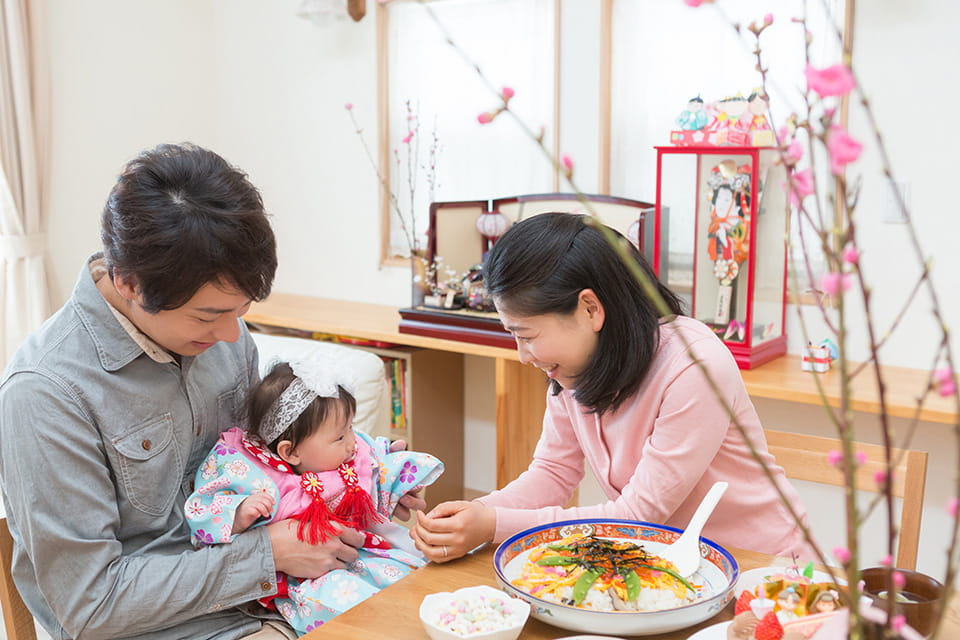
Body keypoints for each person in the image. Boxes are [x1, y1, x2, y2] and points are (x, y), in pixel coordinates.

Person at [0, 142, 424, 639]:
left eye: (239, 311)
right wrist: (266, 554)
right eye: (208, 315)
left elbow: (266, 460)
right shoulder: (46, 395)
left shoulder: (223, 340)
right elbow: (90, 605)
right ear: (130, 283)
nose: (230, 336)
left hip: (281, 595)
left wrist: (354, 475)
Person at [410, 212, 812, 563]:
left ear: (590, 309)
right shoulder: (574, 366)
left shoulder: (695, 365)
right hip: (658, 561)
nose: (523, 355)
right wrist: (472, 514)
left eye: (527, 335)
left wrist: (492, 524)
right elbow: (553, 474)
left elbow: (638, 516)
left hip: (758, 566)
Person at [185, 358, 443, 635]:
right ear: (290, 452)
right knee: (349, 605)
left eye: (351, 429)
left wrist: (397, 481)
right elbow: (206, 511)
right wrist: (239, 513)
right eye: (340, 437)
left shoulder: (347, 457)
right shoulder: (254, 475)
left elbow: (378, 465)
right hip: (306, 578)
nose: (352, 442)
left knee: (412, 583)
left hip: (361, 552)